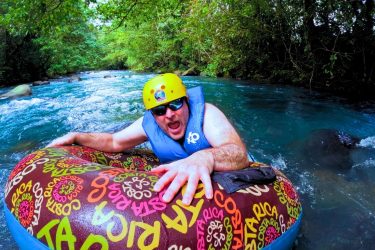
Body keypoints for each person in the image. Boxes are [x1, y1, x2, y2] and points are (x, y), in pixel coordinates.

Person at [47, 73, 248, 205]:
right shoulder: (149, 124)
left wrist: (205, 157)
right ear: (153, 115)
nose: (169, 114)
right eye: (160, 110)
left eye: (175, 104)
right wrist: (77, 136)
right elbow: (114, 142)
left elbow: (239, 153)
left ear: (187, 102)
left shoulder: (207, 114)